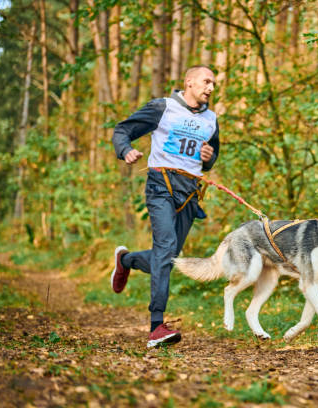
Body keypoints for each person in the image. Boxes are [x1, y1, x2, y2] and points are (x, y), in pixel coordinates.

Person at [110, 65, 220, 348]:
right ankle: (156, 326)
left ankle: (126, 261)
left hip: (190, 194)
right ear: (190, 82)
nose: (210, 87)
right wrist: (126, 150)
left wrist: (209, 157)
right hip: (161, 185)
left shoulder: (211, 119)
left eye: (213, 84)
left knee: (169, 257)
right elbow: (123, 129)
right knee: (165, 246)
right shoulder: (164, 107)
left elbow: (210, 155)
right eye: (206, 81)